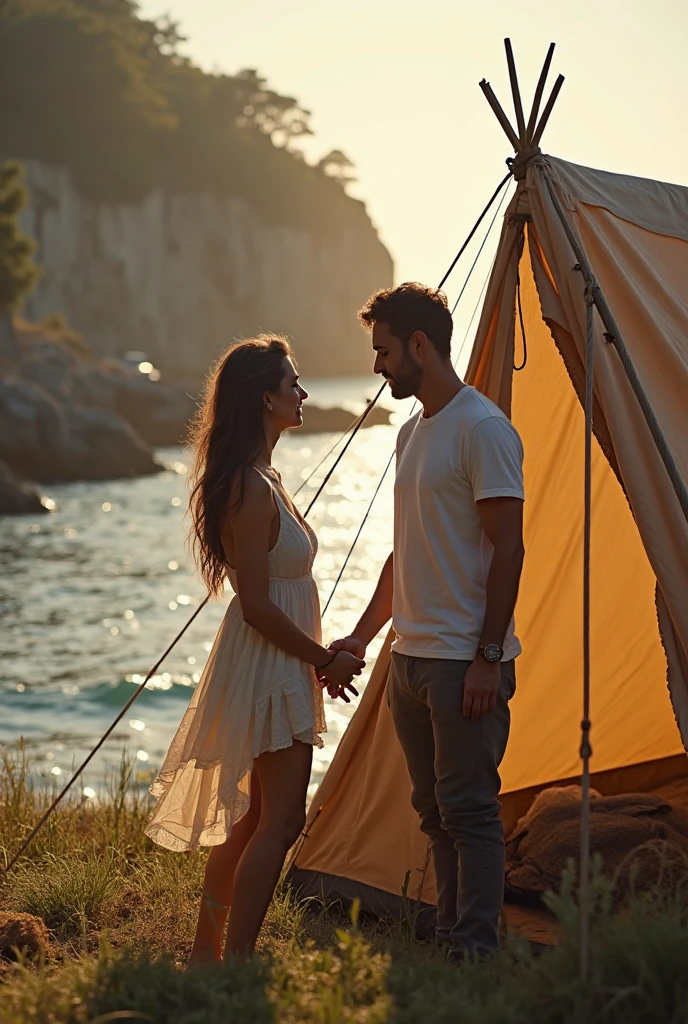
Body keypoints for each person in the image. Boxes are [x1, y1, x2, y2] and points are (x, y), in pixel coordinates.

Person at [145, 335, 364, 962]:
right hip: (271, 663)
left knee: (252, 818)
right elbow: (257, 605)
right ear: (266, 397)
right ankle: (230, 959)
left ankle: (208, 954)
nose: (303, 394)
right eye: (293, 383)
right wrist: (322, 659)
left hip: (281, 658)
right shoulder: (247, 485)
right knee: (280, 821)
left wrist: (318, 657)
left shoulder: (265, 477)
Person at [330, 283, 525, 961]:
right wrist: (361, 636)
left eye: (384, 351)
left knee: (469, 813)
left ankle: (475, 954)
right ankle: (451, 939)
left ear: (419, 345)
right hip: (410, 661)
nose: (378, 366)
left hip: (462, 663)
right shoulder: (412, 433)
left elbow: (510, 548)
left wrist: (488, 656)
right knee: (434, 814)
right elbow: (404, 549)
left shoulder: (483, 429)